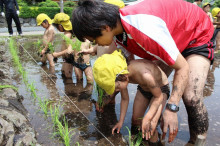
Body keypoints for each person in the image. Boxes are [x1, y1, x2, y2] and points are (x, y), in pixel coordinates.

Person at [72, 0, 214, 144]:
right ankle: (152, 136)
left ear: (105, 27)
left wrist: (172, 108)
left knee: (191, 96)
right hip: (172, 37)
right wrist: (109, 95)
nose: (97, 44)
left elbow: (182, 67)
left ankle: (197, 142)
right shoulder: (118, 32)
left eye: (94, 39)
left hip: (195, 33)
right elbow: (118, 75)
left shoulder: (143, 29)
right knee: (151, 90)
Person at [93, 50, 169, 144]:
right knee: (136, 121)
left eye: (116, 87)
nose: (116, 90)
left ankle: (155, 142)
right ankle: (140, 142)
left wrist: (148, 117)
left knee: (150, 125)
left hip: (160, 90)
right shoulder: (121, 72)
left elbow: (159, 97)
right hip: (144, 89)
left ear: (124, 76)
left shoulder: (145, 75)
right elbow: (125, 99)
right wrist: (120, 122)